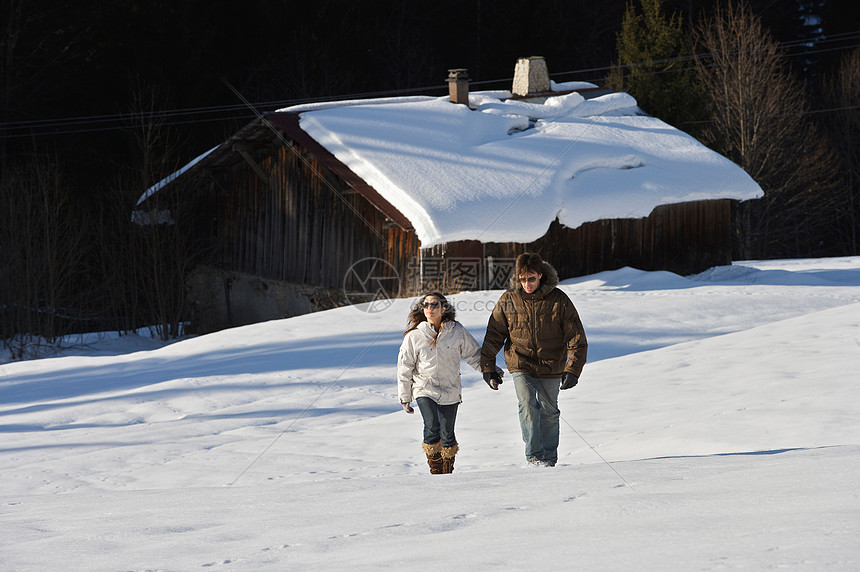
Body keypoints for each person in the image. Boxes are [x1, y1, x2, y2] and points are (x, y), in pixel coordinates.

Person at [481, 252, 588, 467]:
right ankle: (533, 457)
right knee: (528, 405)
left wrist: (573, 370)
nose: (527, 284)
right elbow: (494, 334)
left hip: (552, 363)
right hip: (521, 362)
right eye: (522, 279)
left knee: (549, 411)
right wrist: (488, 367)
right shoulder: (509, 299)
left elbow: (576, 337)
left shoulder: (559, 299)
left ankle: (548, 459)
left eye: (531, 279)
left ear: (540, 275)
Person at [397, 292, 487, 474]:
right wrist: (405, 397)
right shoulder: (414, 336)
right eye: (426, 305)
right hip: (424, 388)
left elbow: (473, 354)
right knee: (432, 427)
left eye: (434, 305)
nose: (429, 308)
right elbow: (404, 367)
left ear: (443, 308)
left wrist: (490, 372)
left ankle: (447, 473)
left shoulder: (457, 331)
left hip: (450, 389)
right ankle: (436, 472)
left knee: (447, 434)